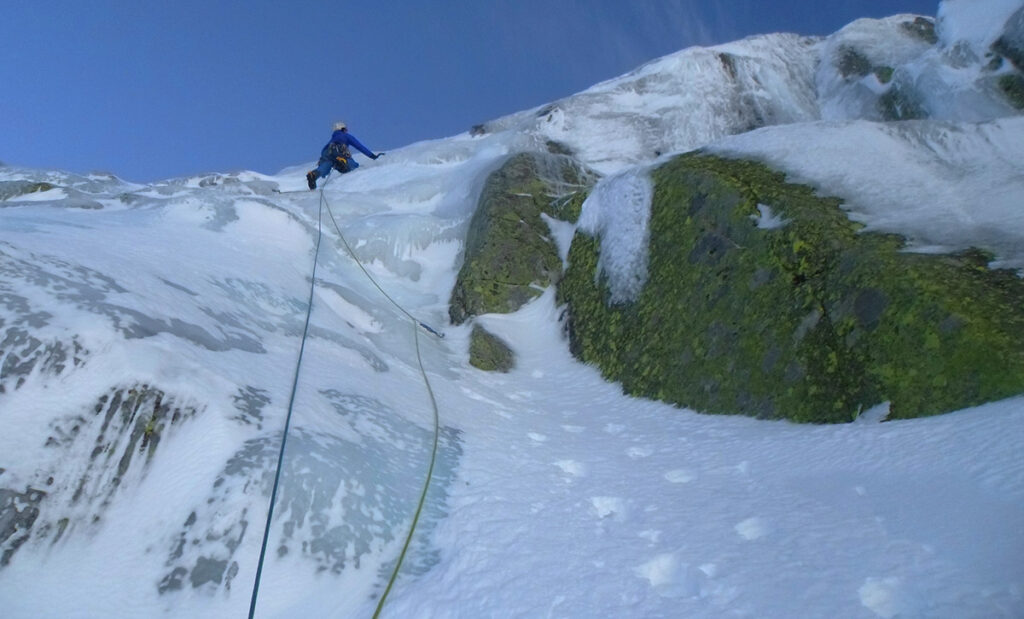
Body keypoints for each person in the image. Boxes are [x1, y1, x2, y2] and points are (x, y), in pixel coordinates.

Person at [306, 121, 384, 190]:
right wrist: (372, 156)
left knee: (325, 167)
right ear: (343, 129)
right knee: (353, 165)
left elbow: (325, 152)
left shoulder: (332, 139)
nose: (347, 131)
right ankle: (343, 162)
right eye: (346, 129)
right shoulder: (345, 136)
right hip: (339, 149)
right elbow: (359, 146)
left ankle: (314, 175)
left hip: (326, 151)